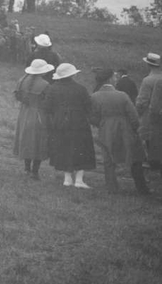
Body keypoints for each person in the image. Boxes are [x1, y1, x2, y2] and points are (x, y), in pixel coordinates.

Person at [89, 67, 149, 195]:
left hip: (105, 129)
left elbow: (92, 116)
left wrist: (102, 124)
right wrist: (134, 128)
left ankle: (112, 188)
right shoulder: (122, 95)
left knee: (108, 159)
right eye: (115, 77)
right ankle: (142, 188)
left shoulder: (94, 96)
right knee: (134, 157)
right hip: (125, 127)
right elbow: (133, 115)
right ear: (110, 78)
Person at [41, 63, 96, 189]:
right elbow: (88, 106)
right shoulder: (81, 89)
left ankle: (67, 179)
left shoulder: (52, 88)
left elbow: (46, 107)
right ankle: (79, 180)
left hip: (60, 122)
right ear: (73, 75)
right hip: (79, 122)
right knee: (81, 149)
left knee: (64, 148)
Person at [14, 59, 54, 179]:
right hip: (39, 115)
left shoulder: (21, 80)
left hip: (24, 113)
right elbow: (49, 102)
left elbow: (18, 96)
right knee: (38, 142)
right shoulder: (45, 85)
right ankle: (35, 171)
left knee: (26, 140)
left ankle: (27, 168)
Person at [136, 52, 162, 173]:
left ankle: (153, 162)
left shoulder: (148, 80)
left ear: (148, 64)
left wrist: (139, 111)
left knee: (149, 137)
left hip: (150, 114)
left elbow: (142, 101)